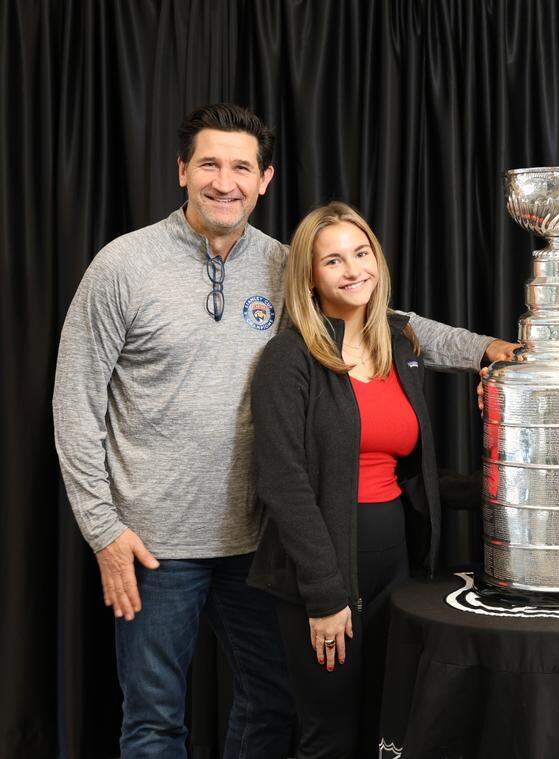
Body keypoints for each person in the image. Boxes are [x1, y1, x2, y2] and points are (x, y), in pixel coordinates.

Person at [52, 103, 514, 758]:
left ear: (264, 179)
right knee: (154, 720)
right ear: (182, 169)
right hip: (156, 543)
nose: (224, 181)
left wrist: (489, 349)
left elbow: (388, 319)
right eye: (208, 163)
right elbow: (75, 401)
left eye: (241, 166)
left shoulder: (284, 264)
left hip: (261, 542)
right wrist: (103, 530)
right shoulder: (123, 267)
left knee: (273, 705)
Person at [246, 201, 484, 757]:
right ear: (309, 275)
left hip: (394, 564)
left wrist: (493, 493)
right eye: (333, 261)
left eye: (361, 253)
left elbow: (404, 469)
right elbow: (284, 482)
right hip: (324, 565)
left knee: (387, 728)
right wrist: (325, 596)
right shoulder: (290, 357)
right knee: (329, 734)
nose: (353, 270)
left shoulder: (397, 348)